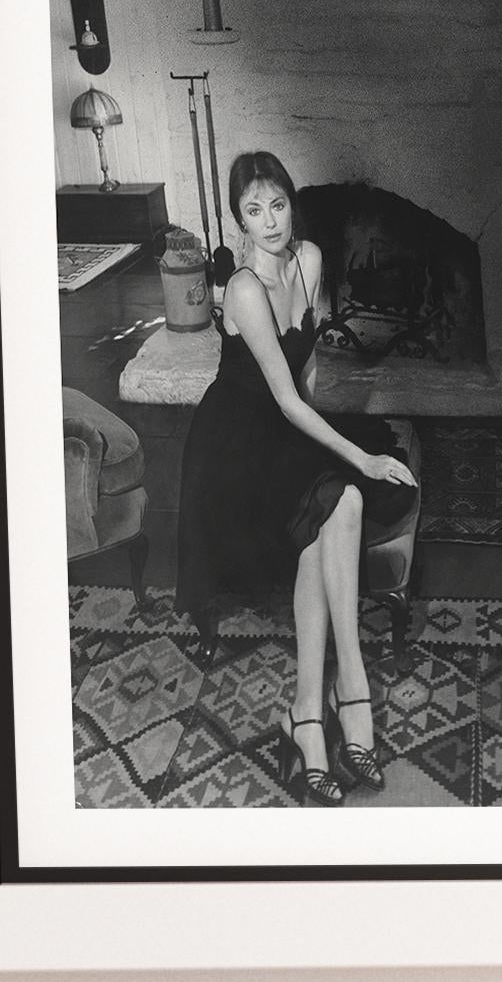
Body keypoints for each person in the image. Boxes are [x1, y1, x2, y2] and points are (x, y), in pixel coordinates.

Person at [176, 150, 419, 802]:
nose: (270, 221)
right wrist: (358, 456)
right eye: (253, 211)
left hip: (286, 425)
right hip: (233, 447)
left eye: (277, 203)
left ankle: (307, 716)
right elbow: (281, 399)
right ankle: (353, 695)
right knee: (341, 492)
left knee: (337, 510)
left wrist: (335, 447)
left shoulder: (311, 262)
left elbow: (306, 375)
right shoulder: (246, 289)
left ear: (290, 203)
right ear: (238, 223)